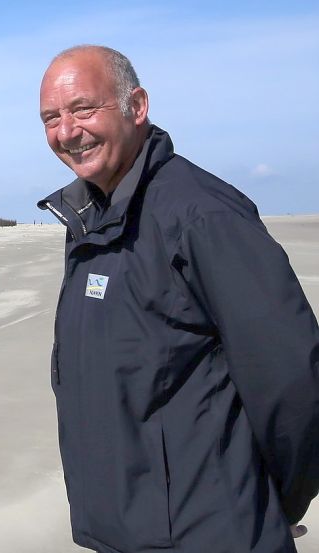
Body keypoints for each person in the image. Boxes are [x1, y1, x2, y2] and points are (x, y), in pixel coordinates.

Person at [37, 45, 319, 553]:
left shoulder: (202, 215)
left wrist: (263, 503)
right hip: (123, 532)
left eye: (82, 109)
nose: (66, 132)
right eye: (51, 118)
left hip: (209, 533)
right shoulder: (90, 220)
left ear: (136, 106)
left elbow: (294, 382)